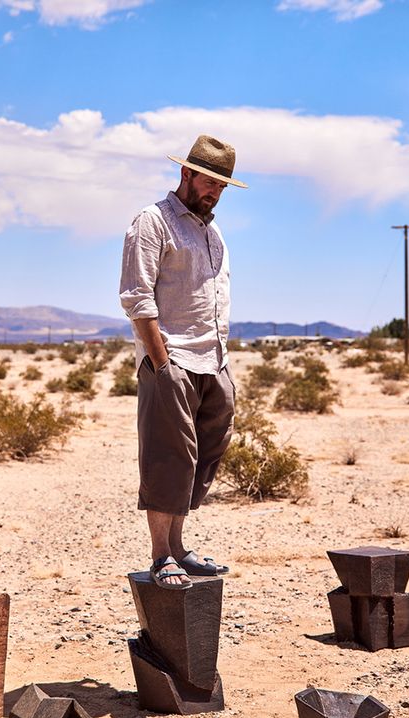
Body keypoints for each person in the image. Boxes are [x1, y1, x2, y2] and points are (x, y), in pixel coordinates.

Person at [119, 134, 247, 589]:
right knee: (169, 456)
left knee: (202, 455)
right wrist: (161, 361)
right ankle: (161, 554)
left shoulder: (212, 233)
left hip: (213, 361)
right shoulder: (154, 221)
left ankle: (178, 546)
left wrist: (223, 364)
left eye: (222, 185)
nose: (215, 191)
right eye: (209, 180)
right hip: (171, 359)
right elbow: (136, 296)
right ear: (186, 173)